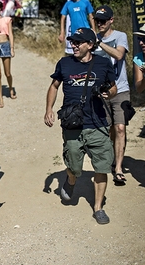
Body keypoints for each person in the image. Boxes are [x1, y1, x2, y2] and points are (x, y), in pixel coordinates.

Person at [44, 28, 117, 225]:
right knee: (74, 166)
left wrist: (107, 93)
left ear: (90, 45)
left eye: (78, 42)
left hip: (98, 124)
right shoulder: (65, 63)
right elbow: (54, 86)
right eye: (72, 42)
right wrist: (49, 109)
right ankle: (72, 179)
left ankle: (98, 207)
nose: (74, 45)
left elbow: (113, 87)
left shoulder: (103, 63)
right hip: (72, 124)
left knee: (102, 167)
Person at [93, 5, 130, 184]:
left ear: (111, 20)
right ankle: (111, 158)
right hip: (102, 93)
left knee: (120, 128)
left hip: (121, 88)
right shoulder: (93, 39)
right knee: (108, 129)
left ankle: (118, 168)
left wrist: (99, 43)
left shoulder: (120, 36)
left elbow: (119, 56)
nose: (99, 24)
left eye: (103, 21)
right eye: (97, 21)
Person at [133, 25, 145, 93]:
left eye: (144, 39)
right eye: (139, 39)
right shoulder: (138, 58)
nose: (141, 43)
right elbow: (139, 89)